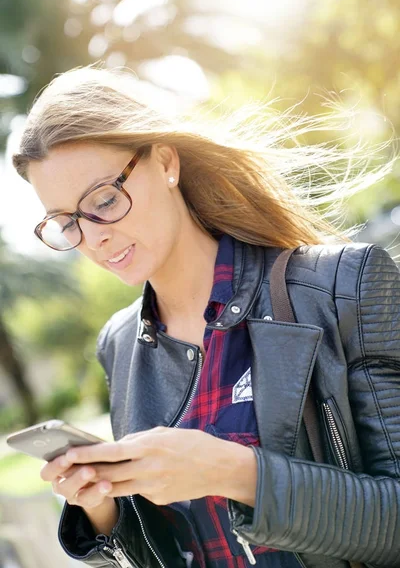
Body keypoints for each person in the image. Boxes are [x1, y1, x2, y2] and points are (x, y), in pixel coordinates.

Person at [11, 65, 400, 568]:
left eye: (104, 200)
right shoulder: (120, 343)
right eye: (66, 223)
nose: (93, 237)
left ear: (166, 162)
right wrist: (101, 505)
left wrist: (235, 472)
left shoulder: (341, 285)